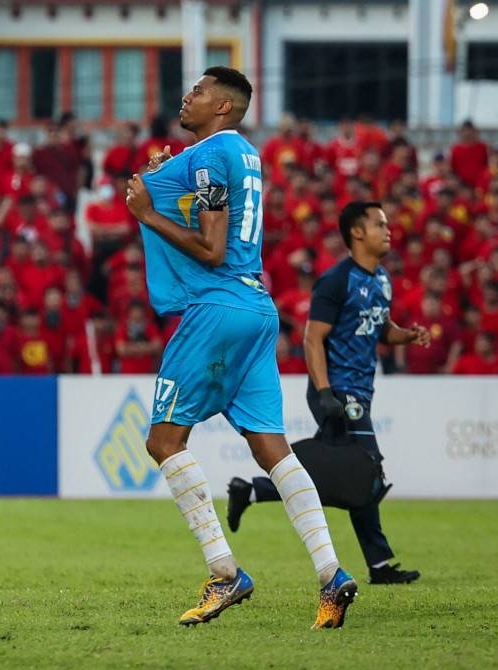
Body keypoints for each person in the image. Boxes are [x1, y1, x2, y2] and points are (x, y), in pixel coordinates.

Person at [124, 66, 357, 629]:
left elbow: (210, 246)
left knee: (163, 439)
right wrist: (162, 176)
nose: (188, 96)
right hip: (256, 307)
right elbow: (209, 207)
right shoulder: (243, 155)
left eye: (200, 91)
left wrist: (147, 213)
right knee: (272, 448)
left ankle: (225, 573)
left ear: (223, 107)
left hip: (217, 307)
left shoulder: (208, 156)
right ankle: (332, 576)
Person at [226, 201, 430, 585]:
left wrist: (406, 334)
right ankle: (379, 563)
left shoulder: (381, 279)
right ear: (357, 232)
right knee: (367, 468)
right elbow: (312, 338)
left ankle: (252, 491)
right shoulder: (336, 281)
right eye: (379, 224)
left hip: (359, 391)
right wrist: (324, 393)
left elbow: (381, 328)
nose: (388, 230)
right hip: (337, 390)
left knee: (349, 473)